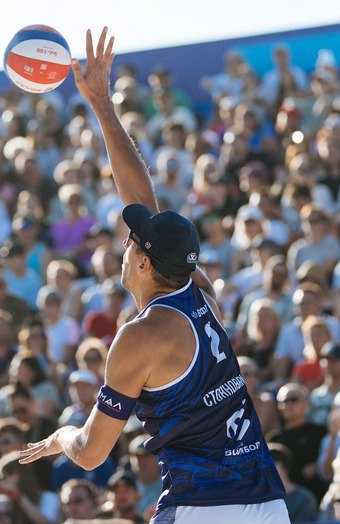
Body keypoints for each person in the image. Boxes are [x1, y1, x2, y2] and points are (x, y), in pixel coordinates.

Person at [18, 28, 288, 523]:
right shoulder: (199, 290)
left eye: (130, 241)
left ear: (144, 263)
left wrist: (61, 437)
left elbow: (92, 453)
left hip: (203, 508)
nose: (122, 243)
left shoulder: (139, 336)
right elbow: (143, 202)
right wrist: (102, 105)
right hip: (268, 504)